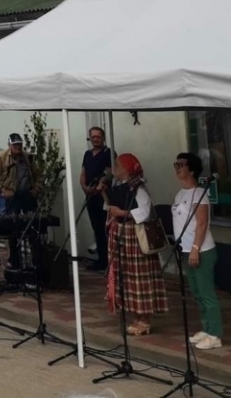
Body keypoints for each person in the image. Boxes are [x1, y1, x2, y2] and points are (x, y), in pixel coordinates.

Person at [102, 153, 167, 336]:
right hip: (122, 236)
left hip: (135, 236)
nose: (114, 168)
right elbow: (112, 205)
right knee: (128, 277)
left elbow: (145, 212)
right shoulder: (118, 185)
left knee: (139, 278)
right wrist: (103, 193)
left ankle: (144, 320)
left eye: (117, 164)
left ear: (126, 168)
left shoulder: (138, 188)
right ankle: (136, 316)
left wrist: (122, 213)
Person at [173, 152, 224, 350]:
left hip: (201, 249)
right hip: (185, 249)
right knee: (196, 292)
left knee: (206, 292)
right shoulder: (180, 193)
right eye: (175, 164)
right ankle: (206, 327)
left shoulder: (199, 193)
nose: (177, 168)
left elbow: (201, 224)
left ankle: (215, 334)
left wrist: (195, 249)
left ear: (192, 169)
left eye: (182, 164)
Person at [0, 133, 41, 263]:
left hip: (28, 195)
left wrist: (35, 190)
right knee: (13, 228)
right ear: (9, 145)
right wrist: (3, 190)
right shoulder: (1, 158)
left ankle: (37, 258)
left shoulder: (28, 157)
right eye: (15, 145)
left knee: (33, 226)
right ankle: (14, 258)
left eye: (19, 144)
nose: (17, 147)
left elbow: (39, 176)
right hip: (12, 197)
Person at [80, 126, 113, 272]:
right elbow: (83, 173)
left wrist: (101, 184)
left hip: (104, 197)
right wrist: (85, 187)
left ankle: (110, 260)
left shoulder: (108, 153)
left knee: (106, 228)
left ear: (103, 137)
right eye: (92, 137)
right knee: (97, 229)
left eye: (98, 136)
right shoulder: (87, 154)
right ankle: (101, 260)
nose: (95, 139)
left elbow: (111, 173)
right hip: (90, 196)